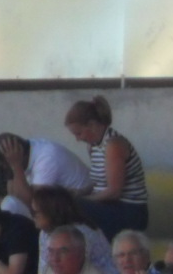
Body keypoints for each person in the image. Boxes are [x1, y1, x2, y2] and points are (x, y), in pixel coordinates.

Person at [64, 95, 150, 240]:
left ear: (92, 125)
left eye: (79, 133)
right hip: (110, 207)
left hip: (129, 212)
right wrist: (79, 192)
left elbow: (114, 192)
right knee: (61, 200)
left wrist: (84, 200)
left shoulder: (114, 145)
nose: (78, 139)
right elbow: (99, 183)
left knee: (70, 206)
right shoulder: (93, 146)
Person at [31, 185, 116, 274]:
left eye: (36, 212)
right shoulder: (45, 233)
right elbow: (43, 273)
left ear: (51, 212)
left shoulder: (81, 234)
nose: (33, 216)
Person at [0, 132, 92, 208]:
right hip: (67, 205)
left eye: (4, 165)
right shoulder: (29, 150)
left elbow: (32, 203)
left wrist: (16, 165)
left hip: (84, 203)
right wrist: (11, 169)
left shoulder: (46, 159)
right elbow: (14, 198)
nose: (3, 168)